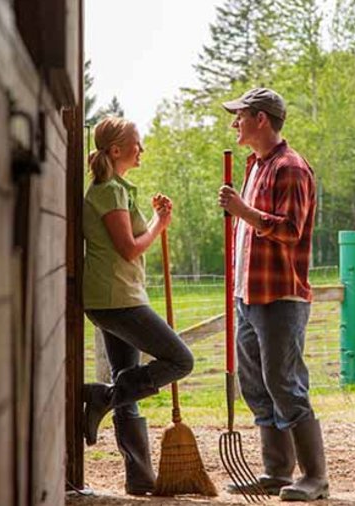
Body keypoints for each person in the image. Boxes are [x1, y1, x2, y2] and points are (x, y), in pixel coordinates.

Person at [217, 88, 329, 501]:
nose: (235, 123)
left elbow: (290, 230)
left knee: (284, 383)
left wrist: (242, 211)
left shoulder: (291, 168)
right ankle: (277, 471)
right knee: (256, 385)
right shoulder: (256, 166)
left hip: (280, 295)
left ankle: (315, 477)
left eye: (241, 115)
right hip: (248, 295)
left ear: (261, 119)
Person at [82, 116, 194, 495]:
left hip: (117, 296)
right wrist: (160, 224)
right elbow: (129, 248)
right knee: (181, 361)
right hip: (116, 299)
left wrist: (158, 216)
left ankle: (140, 477)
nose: (141, 148)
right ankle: (104, 396)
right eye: (137, 143)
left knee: (127, 383)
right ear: (116, 150)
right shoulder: (108, 191)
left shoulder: (117, 190)